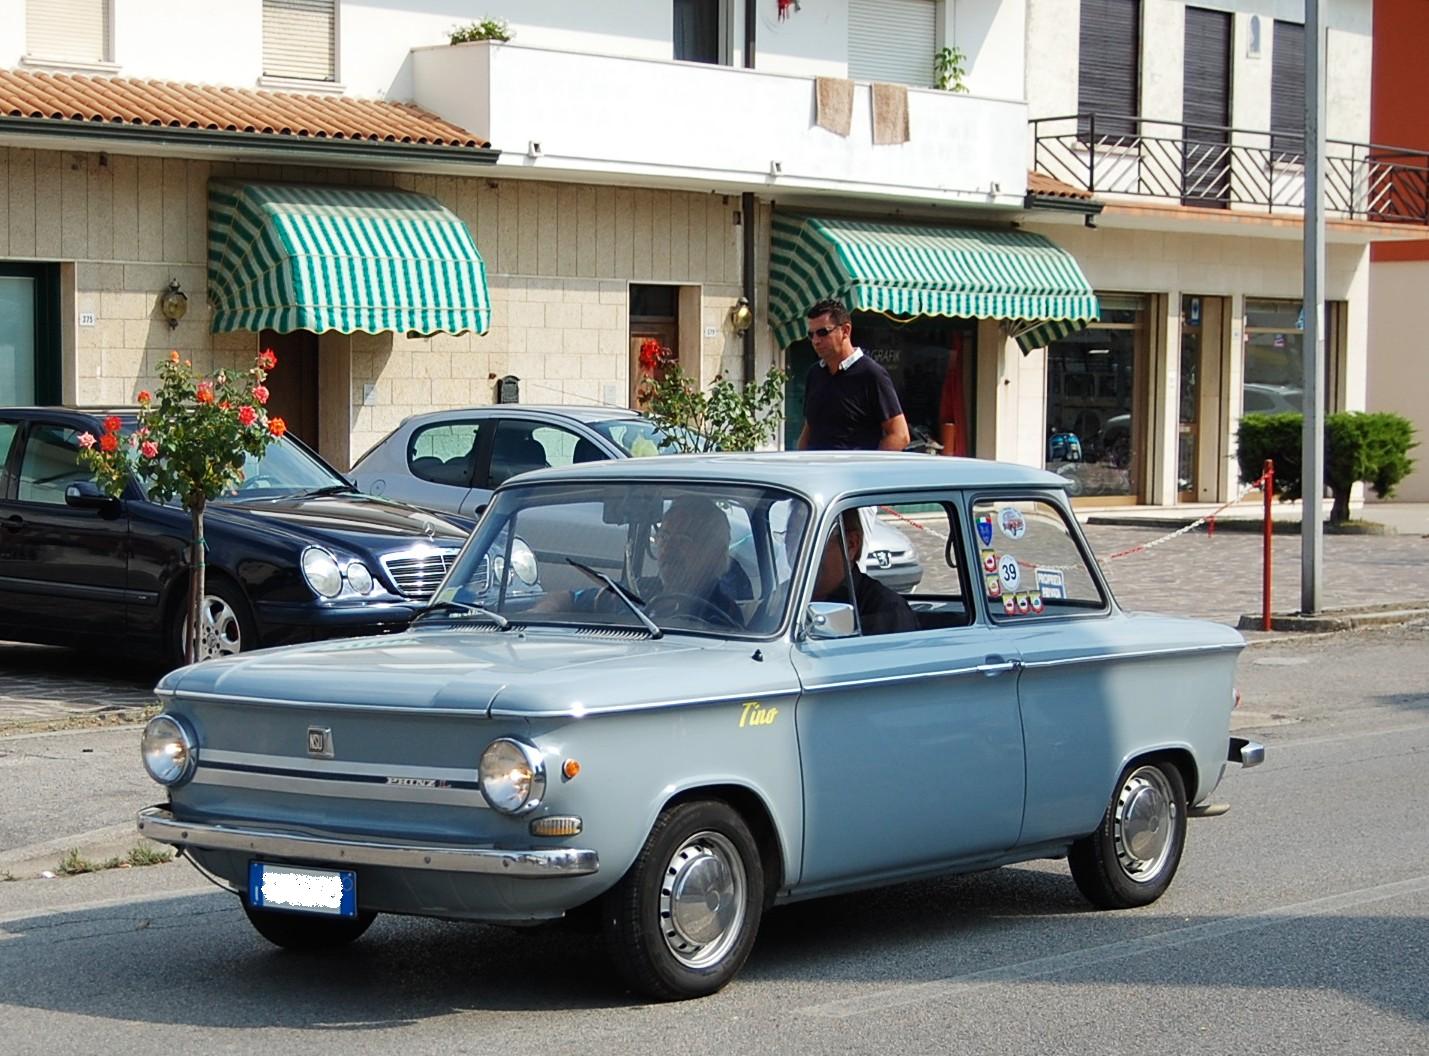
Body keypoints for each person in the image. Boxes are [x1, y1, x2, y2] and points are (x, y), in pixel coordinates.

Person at [796, 298, 911, 452]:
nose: (816, 341)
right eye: (811, 335)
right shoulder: (814, 373)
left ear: (845, 331)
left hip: (854, 466)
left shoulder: (871, 374)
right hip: (815, 466)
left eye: (823, 332)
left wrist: (866, 464)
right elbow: (810, 427)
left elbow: (900, 435)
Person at [811, 508, 918, 636]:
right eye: (792, 541)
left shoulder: (885, 609)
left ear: (850, 545)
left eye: (813, 543)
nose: (796, 555)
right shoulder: (789, 597)